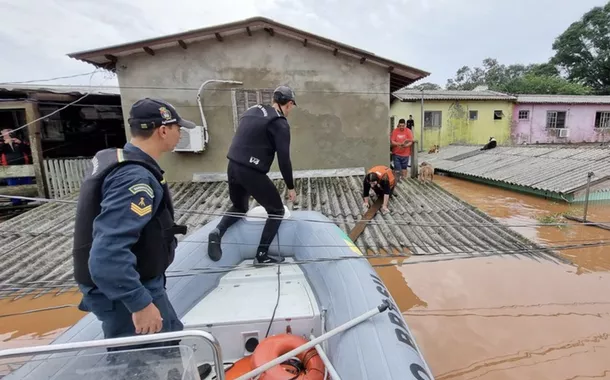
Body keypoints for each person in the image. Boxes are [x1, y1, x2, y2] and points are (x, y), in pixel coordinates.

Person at [71, 98, 210, 378]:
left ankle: (178, 371)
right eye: (176, 127)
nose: (180, 132)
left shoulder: (121, 160)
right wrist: (139, 303)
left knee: (170, 339)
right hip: (126, 289)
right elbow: (107, 253)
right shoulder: (133, 178)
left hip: (138, 282)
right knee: (140, 364)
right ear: (162, 130)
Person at [207, 85, 298, 265]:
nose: (290, 110)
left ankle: (217, 232)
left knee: (240, 207)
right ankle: (262, 255)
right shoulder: (279, 123)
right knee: (277, 210)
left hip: (232, 166)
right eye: (291, 107)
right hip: (251, 171)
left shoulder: (253, 110)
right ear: (288, 104)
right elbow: (284, 160)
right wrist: (290, 186)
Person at [0, 128, 33, 206]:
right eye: (6, 133)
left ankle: (28, 199)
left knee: (26, 182)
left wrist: (20, 143)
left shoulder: (18, 141)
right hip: (8, 167)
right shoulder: (1, 143)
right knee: (12, 184)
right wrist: (5, 144)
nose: (9, 134)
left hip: (23, 165)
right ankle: (16, 201)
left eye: (9, 132)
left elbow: (28, 150)